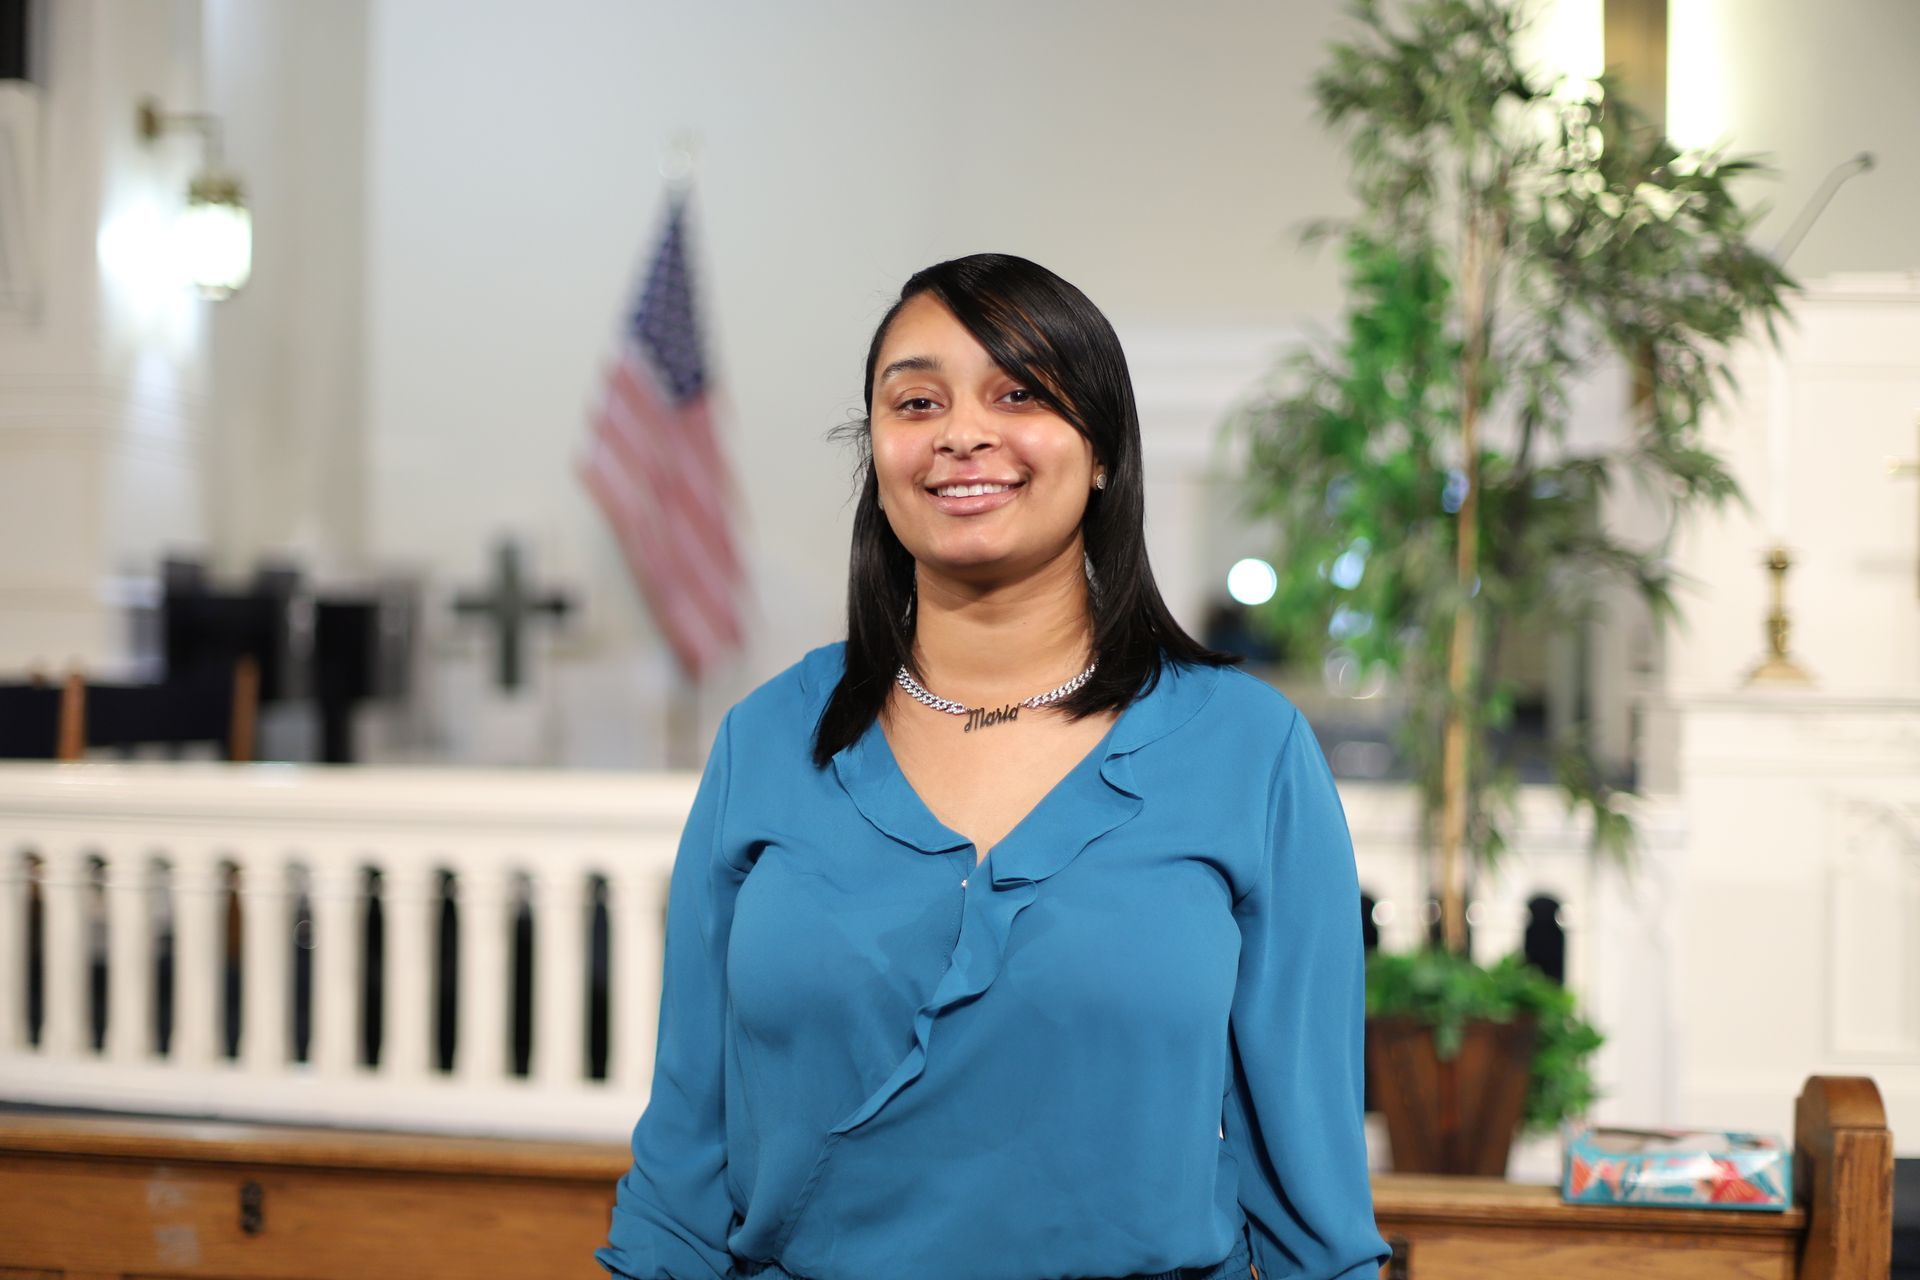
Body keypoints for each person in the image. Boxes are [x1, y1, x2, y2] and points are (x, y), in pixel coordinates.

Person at [596, 254, 1389, 1280]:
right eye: (917, 400)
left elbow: (1313, 1209)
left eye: (1018, 393)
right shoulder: (767, 738)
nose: (963, 432)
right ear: (878, 451)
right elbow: (683, 1165)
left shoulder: (1249, 748)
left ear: (1102, 449)